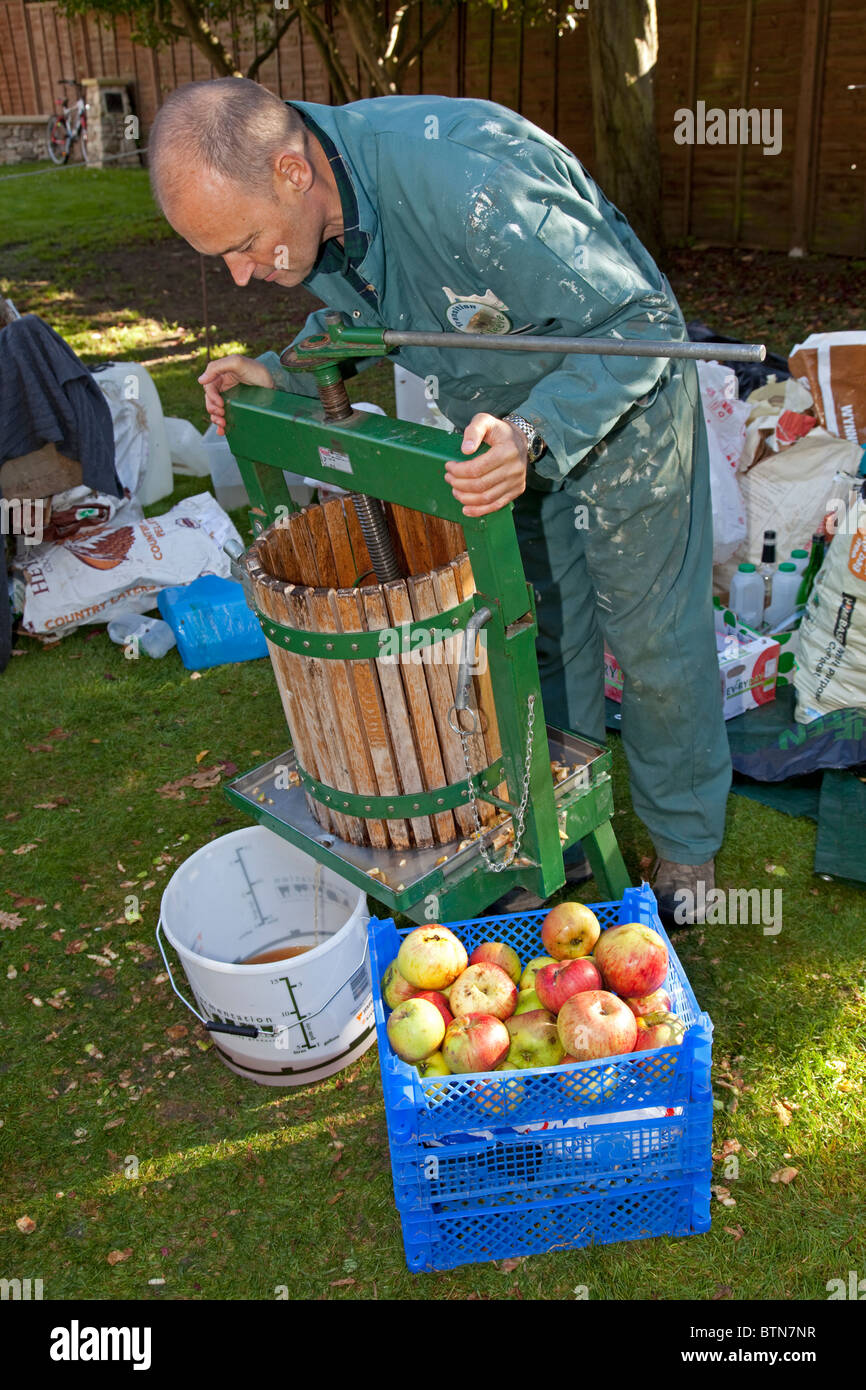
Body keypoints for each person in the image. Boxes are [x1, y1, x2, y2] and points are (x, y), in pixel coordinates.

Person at [148, 77, 731, 926]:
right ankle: (554, 825)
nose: (242, 275)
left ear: (289, 171)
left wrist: (532, 435)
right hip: (490, 428)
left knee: (652, 644)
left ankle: (685, 847)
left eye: (244, 244)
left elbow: (646, 321)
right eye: (224, 259)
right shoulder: (323, 203)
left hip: (619, 408)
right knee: (535, 629)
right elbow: (381, 309)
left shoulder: (469, 188)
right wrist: (281, 367)